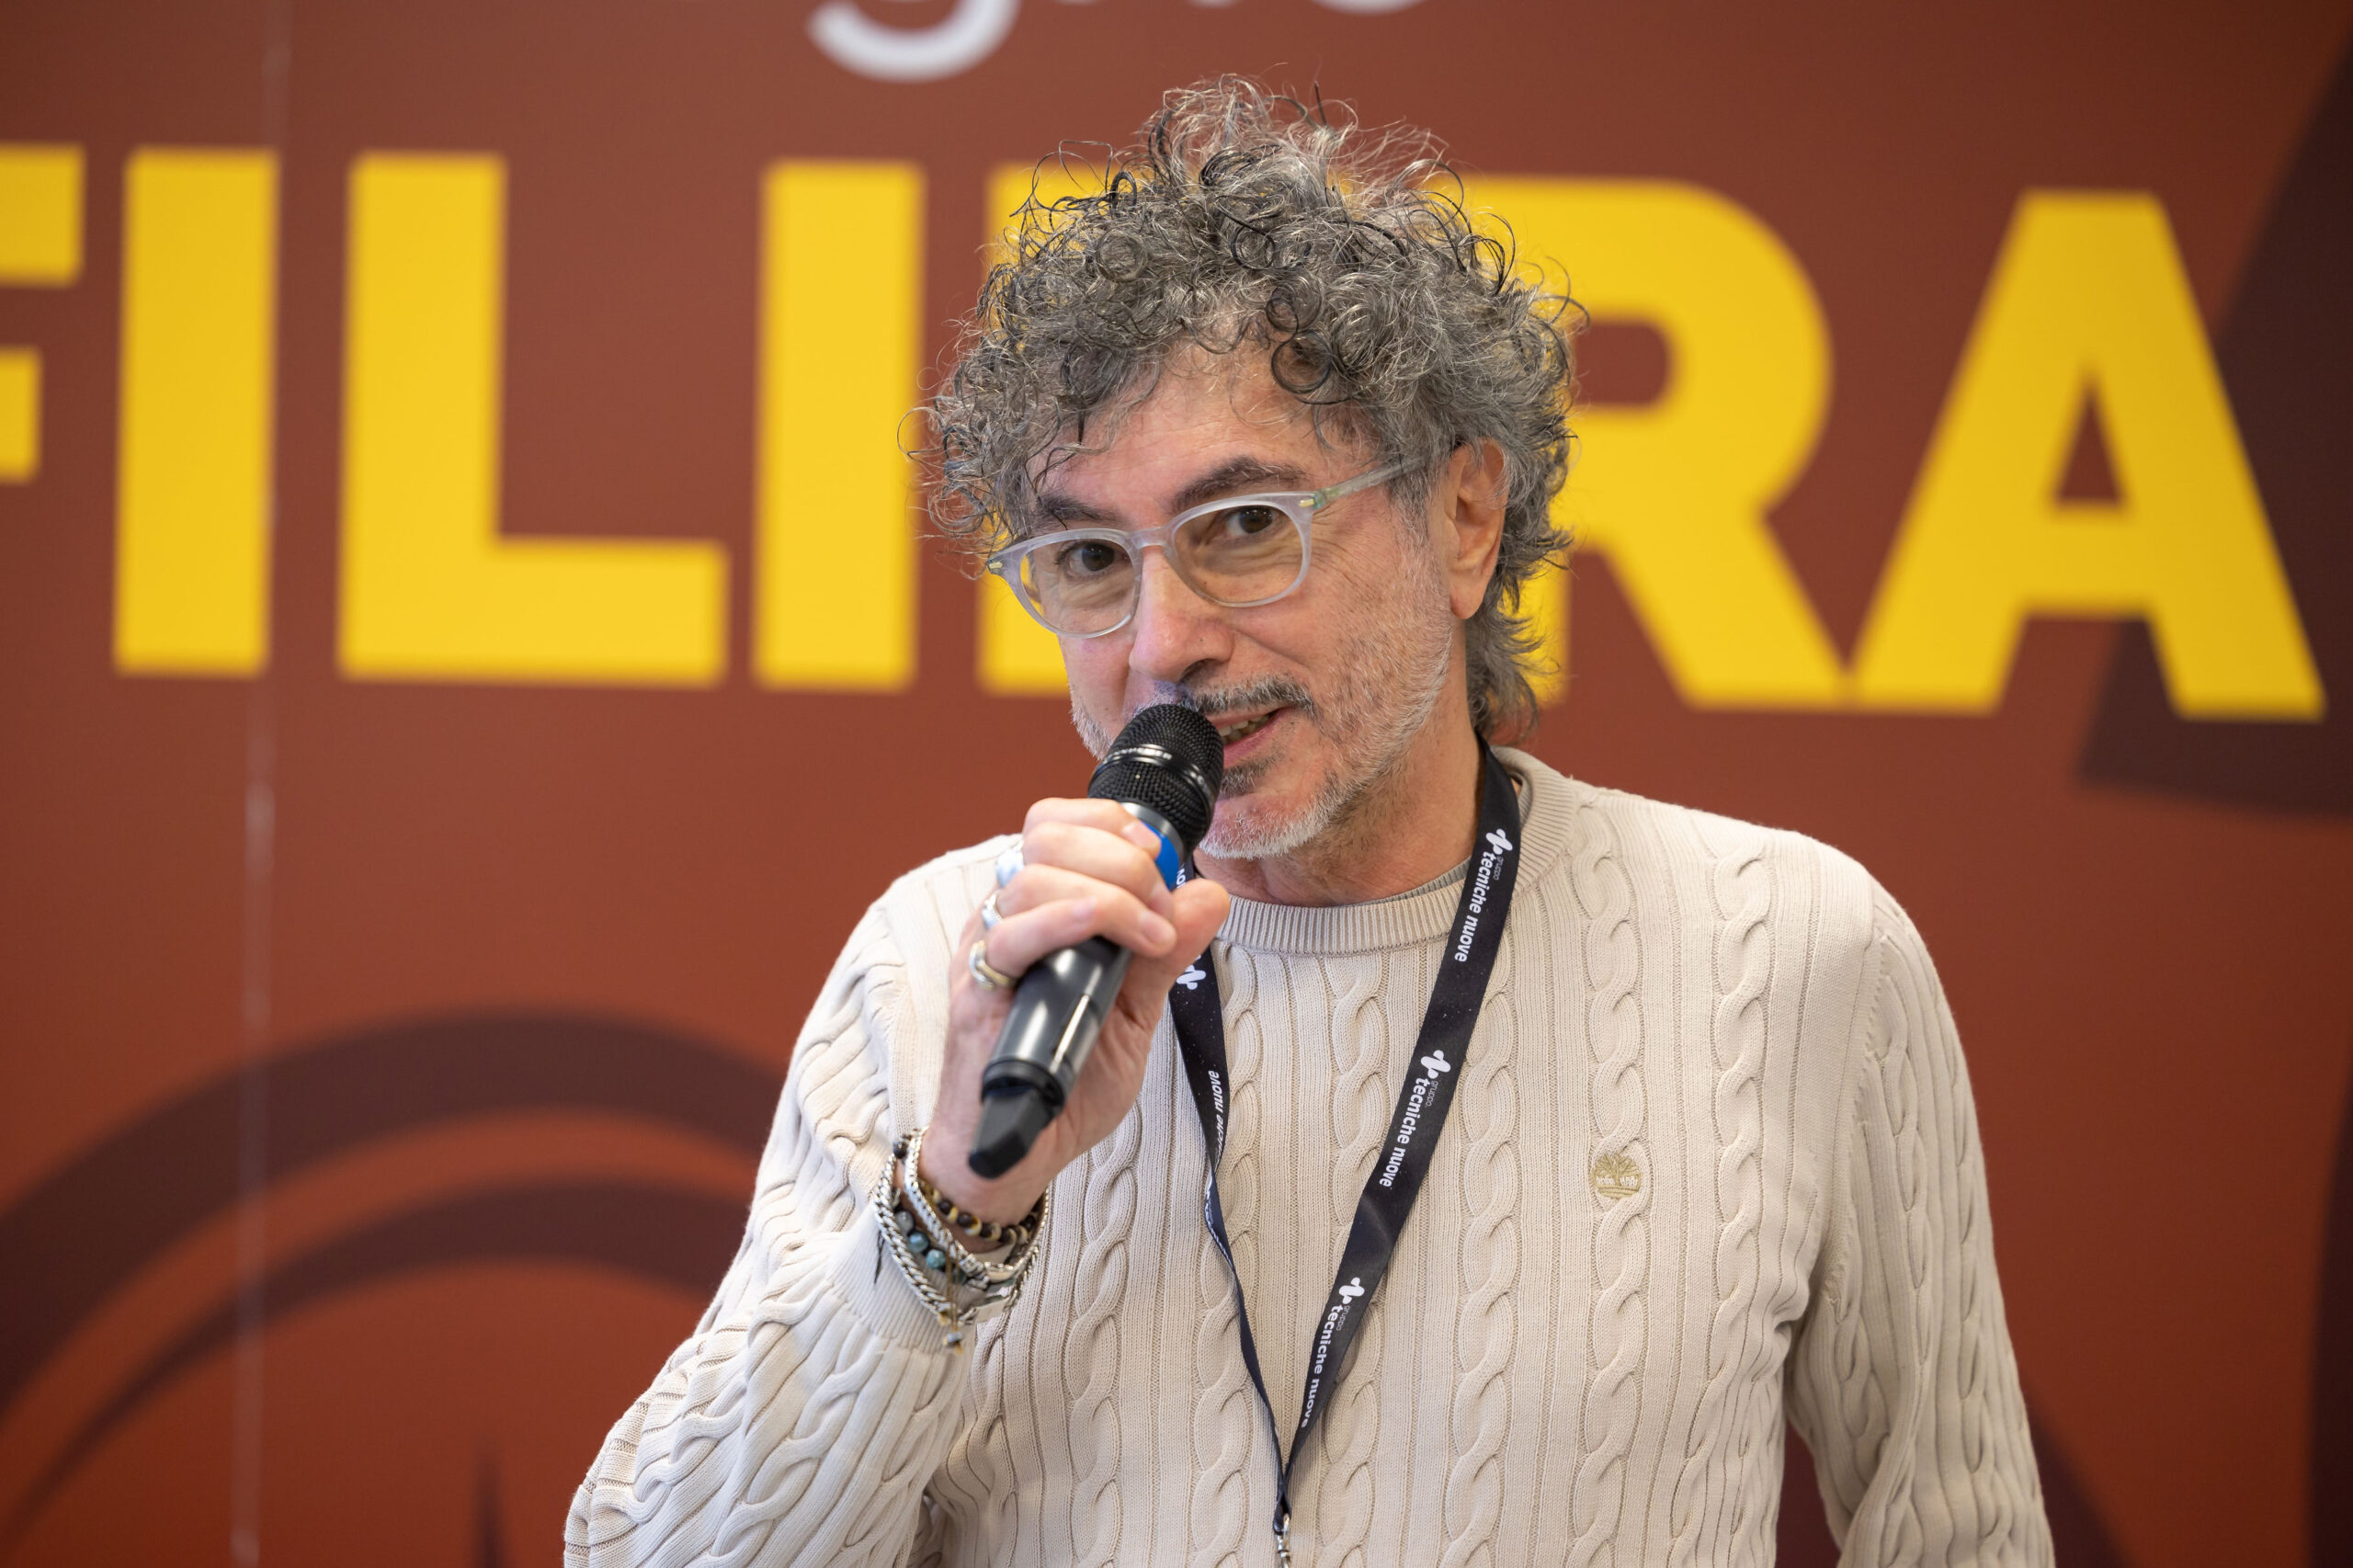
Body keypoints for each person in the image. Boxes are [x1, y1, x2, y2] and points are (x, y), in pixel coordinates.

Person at [568, 80, 2052, 1567]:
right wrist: (954, 1201)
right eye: (1091, 557)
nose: (1164, 642)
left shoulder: (1792, 955)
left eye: (1242, 527)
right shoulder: (946, 969)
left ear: (1463, 518)